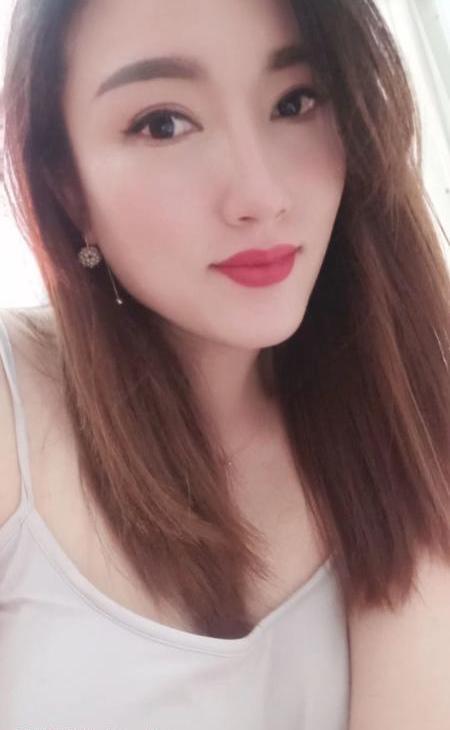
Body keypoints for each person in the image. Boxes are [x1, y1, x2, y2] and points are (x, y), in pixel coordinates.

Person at [0, 0, 449, 728]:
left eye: (295, 102)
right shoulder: (15, 406)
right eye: (163, 124)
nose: (260, 196)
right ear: (65, 185)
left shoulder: (391, 405)